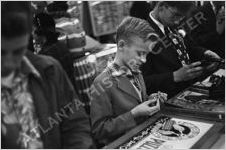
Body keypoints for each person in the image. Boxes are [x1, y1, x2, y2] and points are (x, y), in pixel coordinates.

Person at [1, 2, 94, 148]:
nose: (9, 63)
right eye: (2, 53)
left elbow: (75, 124)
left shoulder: (49, 69)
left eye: (18, 51)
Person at [90, 17, 161, 147]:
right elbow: (99, 131)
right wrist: (133, 114)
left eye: (146, 54)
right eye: (140, 53)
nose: (144, 60)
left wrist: (150, 100)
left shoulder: (137, 72)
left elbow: (137, 100)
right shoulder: (101, 83)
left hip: (143, 138)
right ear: (121, 45)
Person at [141, 1, 221, 98]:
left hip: (188, 91)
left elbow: (189, 46)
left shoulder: (172, 25)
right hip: (165, 97)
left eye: (181, 17)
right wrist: (175, 76)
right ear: (162, 6)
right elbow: (142, 81)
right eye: (175, 15)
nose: (177, 21)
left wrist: (205, 53)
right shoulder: (142, 35)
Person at [33, 12, 76, 89]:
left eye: (33, 30)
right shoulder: (62, 46)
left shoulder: (45, 55)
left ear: (39, 31)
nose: (32, 34)